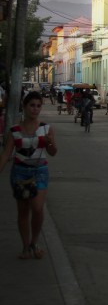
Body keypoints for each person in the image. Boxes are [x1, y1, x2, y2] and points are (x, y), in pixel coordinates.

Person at [0, 91, 58, 259]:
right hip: (20, 172)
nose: (35, 109)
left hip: (40, 171)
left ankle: (35, 241)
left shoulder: (46, 129)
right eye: (32, 105)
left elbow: (53, 152)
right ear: (24, 107)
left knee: (37, 208)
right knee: (23, 211)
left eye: (38, 106)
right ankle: (26, 246)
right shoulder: (15, 130)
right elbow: (6, 154)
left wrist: (50, 142)